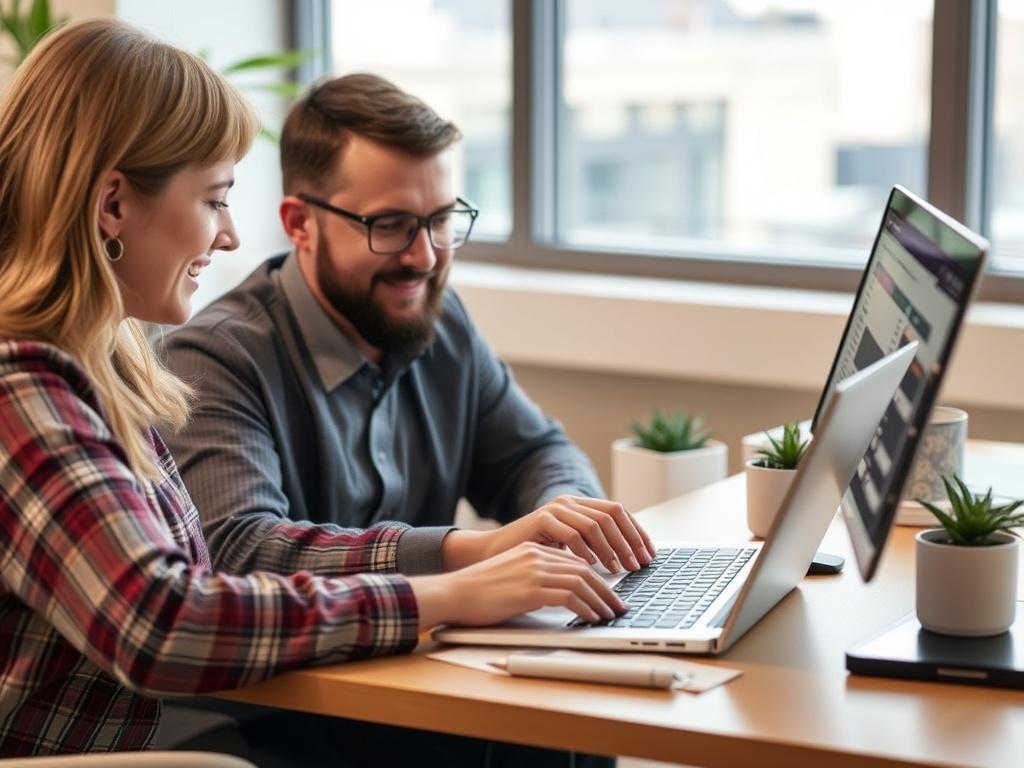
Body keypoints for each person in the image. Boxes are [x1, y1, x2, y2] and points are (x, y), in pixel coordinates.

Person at [0, 20, 653, 760]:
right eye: (214, 200)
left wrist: (525, 545)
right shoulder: (28, 388)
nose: (228, 236)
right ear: (113, 206)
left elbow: (532, 451)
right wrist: (448, 585)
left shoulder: (105, 368)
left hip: (178, 736)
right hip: (169, 747)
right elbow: (168, 617)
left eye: (441, 221)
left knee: (553, 730)